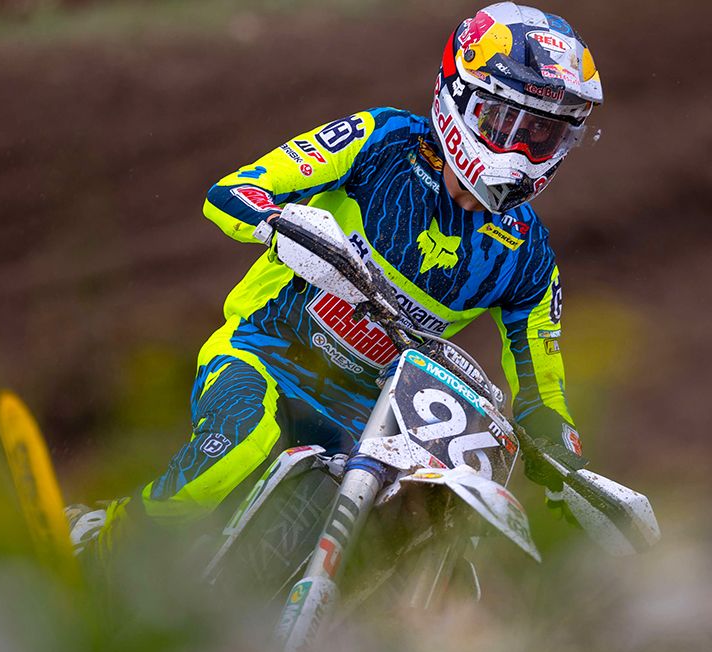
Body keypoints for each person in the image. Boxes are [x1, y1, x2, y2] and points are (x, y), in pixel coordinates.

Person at [69, 2, 602, 556]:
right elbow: (231, 193)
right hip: (265, 353)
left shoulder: (529, 257)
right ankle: (104, 540)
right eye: (504, 122)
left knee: (414, 532)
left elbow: (544, 396)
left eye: (543, 134)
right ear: (459, 97)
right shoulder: (381, 141)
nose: (521, 150)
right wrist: (281, 225)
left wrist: (570, 467)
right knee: (241, 446)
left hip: (374, 423)